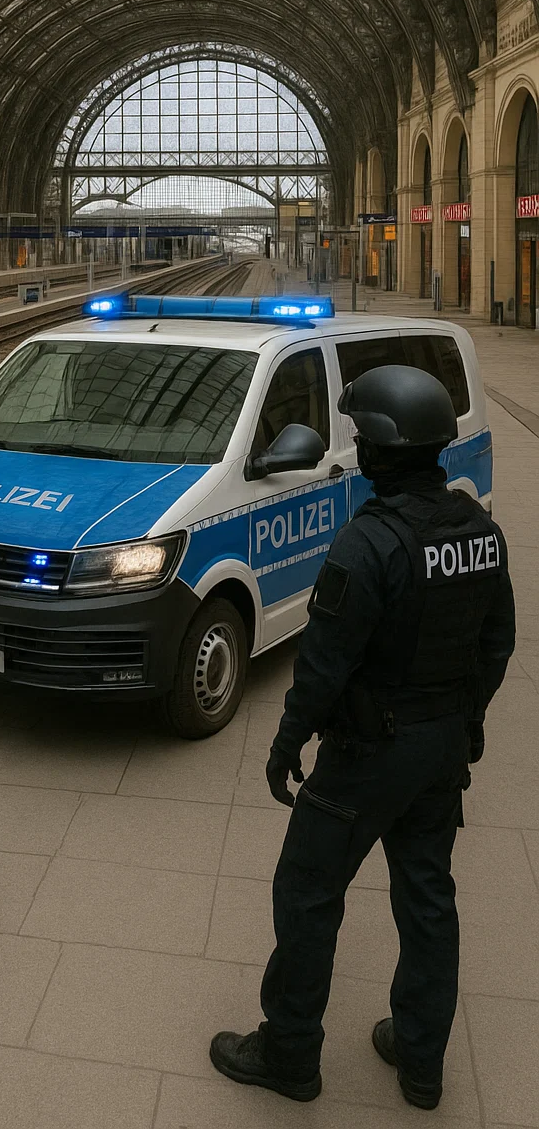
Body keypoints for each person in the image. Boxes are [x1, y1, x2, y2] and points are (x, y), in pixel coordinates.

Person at [211, 364, 515, 1110]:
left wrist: (287, 743)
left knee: (308, 890)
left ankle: (289, 1052)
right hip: (440, 751)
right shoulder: (481, 534)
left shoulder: (366, 544)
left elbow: (323, 667)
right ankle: (420, 1060)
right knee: (427, 898)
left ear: (379, 449)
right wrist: (463, 719)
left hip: (366, 757)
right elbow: (496, 645)